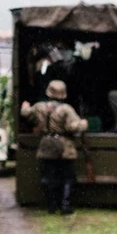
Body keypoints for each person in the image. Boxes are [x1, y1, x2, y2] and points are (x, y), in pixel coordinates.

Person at [20, 80, 88, 214]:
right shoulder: (66, 109)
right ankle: (65, 206)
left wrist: (25, 106)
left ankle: (51, 206)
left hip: (46, 143)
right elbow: (72, 127)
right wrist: (83, 123)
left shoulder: (39, 106)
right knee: (68, 177)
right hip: (64, 145)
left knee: (48, 176)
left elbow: (26, 113)